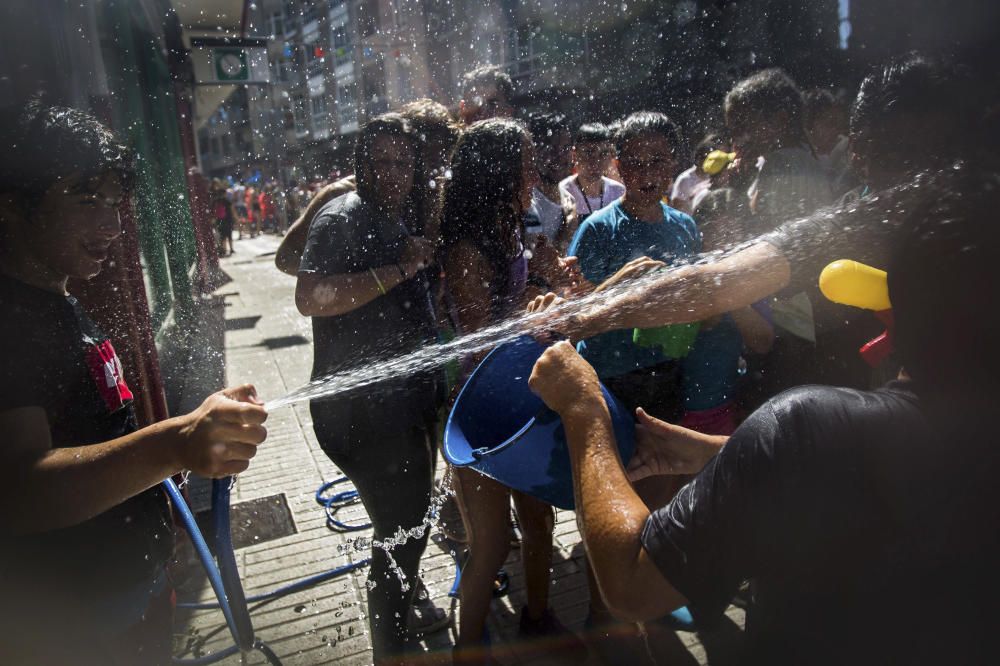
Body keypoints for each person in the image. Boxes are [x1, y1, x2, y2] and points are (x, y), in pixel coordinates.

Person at [527, 166, 1000, 665]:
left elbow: (631, 584)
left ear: (892, 299)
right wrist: (725, 454)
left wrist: (583, 407)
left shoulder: (803, 427)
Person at [0, 99, 268, 665]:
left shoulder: (58, 297)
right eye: (84, 199)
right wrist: (176, 443)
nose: (110, 225)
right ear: (12, 205)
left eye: (115, 204)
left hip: (127, 595)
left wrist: (193, 431)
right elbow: (19, 489)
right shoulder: (10, 319)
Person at [295, 114, 445, 664]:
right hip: (362, 412)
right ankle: (389, 647)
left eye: (402, 162)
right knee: (401, 531)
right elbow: (310, 298)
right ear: (360, 164)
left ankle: (401, 614)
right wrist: (398, 271)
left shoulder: (402, 213)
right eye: (379, 161)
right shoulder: (340, 218)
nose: (391, 172)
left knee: (409, 523)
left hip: (406, 402)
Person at [440, 118, 584, 663]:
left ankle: (538, 618)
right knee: (492, 544)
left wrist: (554, 276)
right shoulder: (467, 250)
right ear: (496, 173)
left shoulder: (513, 231)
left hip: (522, 397)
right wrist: (539, 305)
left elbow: (538, 296)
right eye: (523, 162)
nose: (534, 172)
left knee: (540, 520)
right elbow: (482, 336)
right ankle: (468, 648)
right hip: (481, 409)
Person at [567, 111, 701, 419]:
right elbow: (574, 317)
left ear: (673, 164)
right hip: (611, 379)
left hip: (670, 372)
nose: (647, 173)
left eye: (658, 161)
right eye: (635, 163)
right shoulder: (599, 229)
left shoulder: (685, 226)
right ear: (618, 166)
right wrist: (620, 285)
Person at [275, 99, 460, 276]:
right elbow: (286, 257)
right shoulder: (342, 196)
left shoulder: (442, 198)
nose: (434, 172)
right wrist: (367, 278)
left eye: (442, 161)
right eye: (425, 159)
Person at [523, 111, 576, 250]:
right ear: (534, 151)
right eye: (551, 148)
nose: (559, 156)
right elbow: (540, 263)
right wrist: (569, 227)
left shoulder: (568, 198)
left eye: (565, 148)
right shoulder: (528, 203)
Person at [559, 122, 625, 224]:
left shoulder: (619, 192)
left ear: (610, 157)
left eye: (603, 154)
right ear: (574, 155)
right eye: (589, 153)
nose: (595, 161)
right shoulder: (563, 191)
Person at [669, 132, 726, 214]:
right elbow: (676, 210)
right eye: (708, 159)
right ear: (698, 159)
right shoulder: (685, 180)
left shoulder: (715, 176)